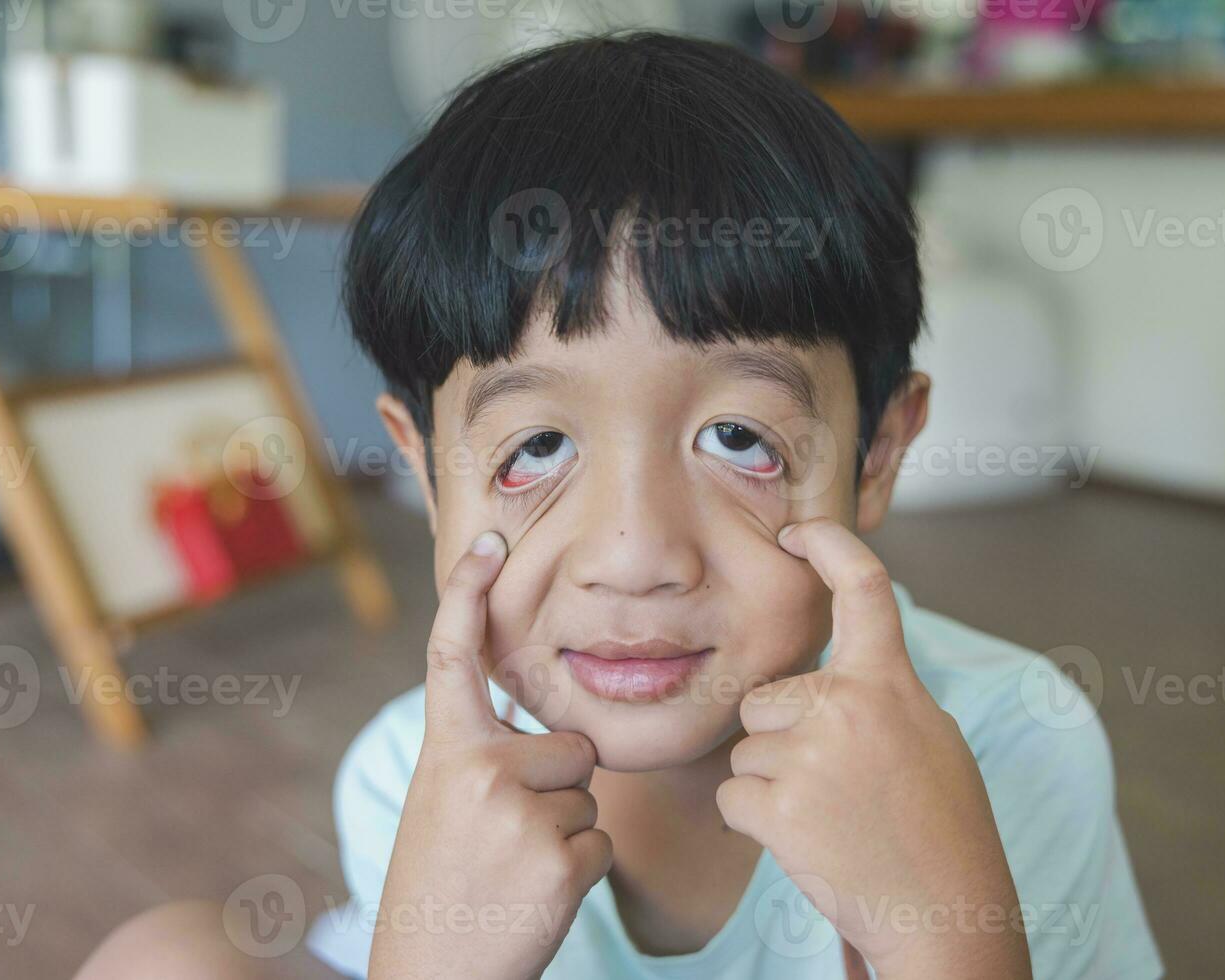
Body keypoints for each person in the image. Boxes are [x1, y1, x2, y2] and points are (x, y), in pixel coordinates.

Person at [77, 31, 1161, 980]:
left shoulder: (1018, 741)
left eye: (740, 439)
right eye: (535, 447)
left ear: (878, 454)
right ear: (424, 469)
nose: (636, 554)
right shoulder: (413, 773)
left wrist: (943, 934)